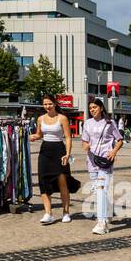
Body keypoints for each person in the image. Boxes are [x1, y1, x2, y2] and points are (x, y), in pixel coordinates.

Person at [29, 94, 78, 226]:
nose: (47, 106)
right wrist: (32, 136)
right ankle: (48, 213)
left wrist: (68, 154)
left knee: (62, 181)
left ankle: (66, 212)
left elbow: (68, 137)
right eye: (45, 104)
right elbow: (39, 134)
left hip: (59, 151)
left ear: (55, 104)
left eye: (49, 104)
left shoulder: (62, 118)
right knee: (43, 181)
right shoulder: (40, 119)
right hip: (45, 151)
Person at [81, 97, 123, 236]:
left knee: (100, 189)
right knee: (98, 191)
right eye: (90, 108)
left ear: (101, 108)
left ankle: (102, 223)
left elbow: (119, 140)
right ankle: (109, 210)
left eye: (95, 107)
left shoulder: (109, 122)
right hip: (92, 161)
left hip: (105, 160)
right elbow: (84, 142)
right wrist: (85, 146)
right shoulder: (87, 123)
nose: (92, 110)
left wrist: (113, 151)